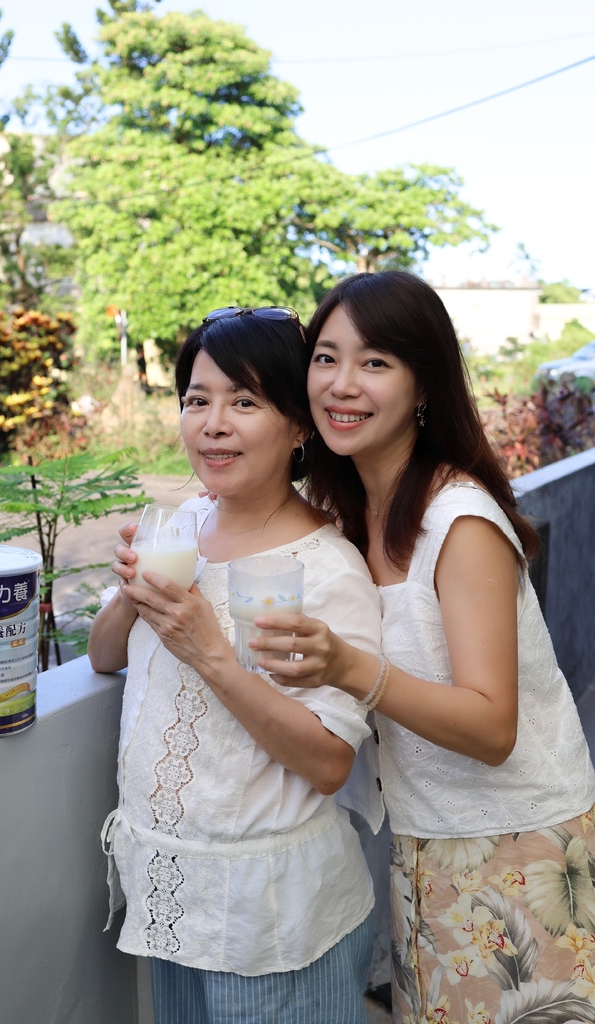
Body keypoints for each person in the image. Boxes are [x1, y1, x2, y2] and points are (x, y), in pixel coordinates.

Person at [249, 271, 595, 1024]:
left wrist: (349, 668)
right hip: (422, 847)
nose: (342, 384)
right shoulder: (343, 515)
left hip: (517, 848)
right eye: (326, 357)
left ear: (423, 386)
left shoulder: (459, 522)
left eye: (375, 363)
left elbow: (490, 727)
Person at [88, 305, 383, 1024]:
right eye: (196, 400)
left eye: (243, 401)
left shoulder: (328, 568)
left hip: (274, 916)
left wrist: (210, 652)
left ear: (298, 426)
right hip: (173, 893)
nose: (212, 424)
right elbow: (102, 657)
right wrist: (133, 592)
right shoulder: (177, 524)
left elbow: (327, 764)